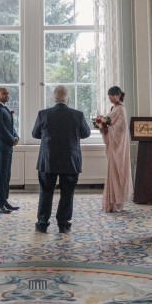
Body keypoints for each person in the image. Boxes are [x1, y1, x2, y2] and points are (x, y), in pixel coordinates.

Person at [32, 85, 91, 233]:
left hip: (48, 160)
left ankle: (42, 223)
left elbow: (35, 134)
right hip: (70, 160)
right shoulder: (77, 115)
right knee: (67, 193)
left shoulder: (43, 114)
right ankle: (63, 224)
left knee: (46, 192)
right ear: (67, 97)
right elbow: (86, 133)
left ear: (54, 97)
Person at [98, 86, 133, 213]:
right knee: (112, 172)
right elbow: (110, 123)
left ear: (119, 95)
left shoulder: (121, 109)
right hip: (113, 146)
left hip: (117, 146)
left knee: (116, 173)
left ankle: (118, 203)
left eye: (113, 95)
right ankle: (111, 203)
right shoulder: (114, 109)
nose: (110, 97)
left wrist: (106, 126)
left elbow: (121, 128)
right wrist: (102, 123)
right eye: (109, 95)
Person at [0, 86, 19, 214]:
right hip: (0, 146)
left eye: (7, 93)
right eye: (4, 93)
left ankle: (5, 201)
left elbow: (10, 127)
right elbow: (1, 129)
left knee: (6, 175)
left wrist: (16, 136)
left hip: (7, 146)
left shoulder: (5, 108)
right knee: (1, 176)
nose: (7, 95)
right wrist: (12, 140)